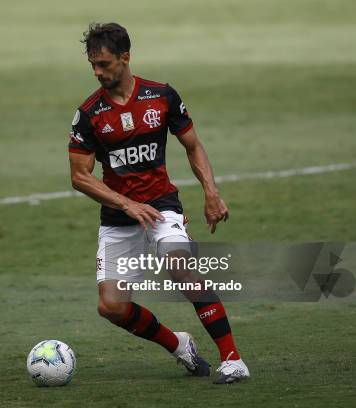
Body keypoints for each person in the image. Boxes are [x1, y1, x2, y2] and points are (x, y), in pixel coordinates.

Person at [68, 22, 250, 384]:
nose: (97, 72)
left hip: (162, 204)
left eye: (103, 64)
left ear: (126, 57)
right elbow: (80, 176)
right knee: (112, 307)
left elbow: (193, 145)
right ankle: (179, 344)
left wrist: (211, 192)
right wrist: (125, 204)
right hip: (119, 216)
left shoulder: (161, 96)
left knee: (180, 265)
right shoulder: (89, 114)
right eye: (92, 65)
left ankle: (232, 358)